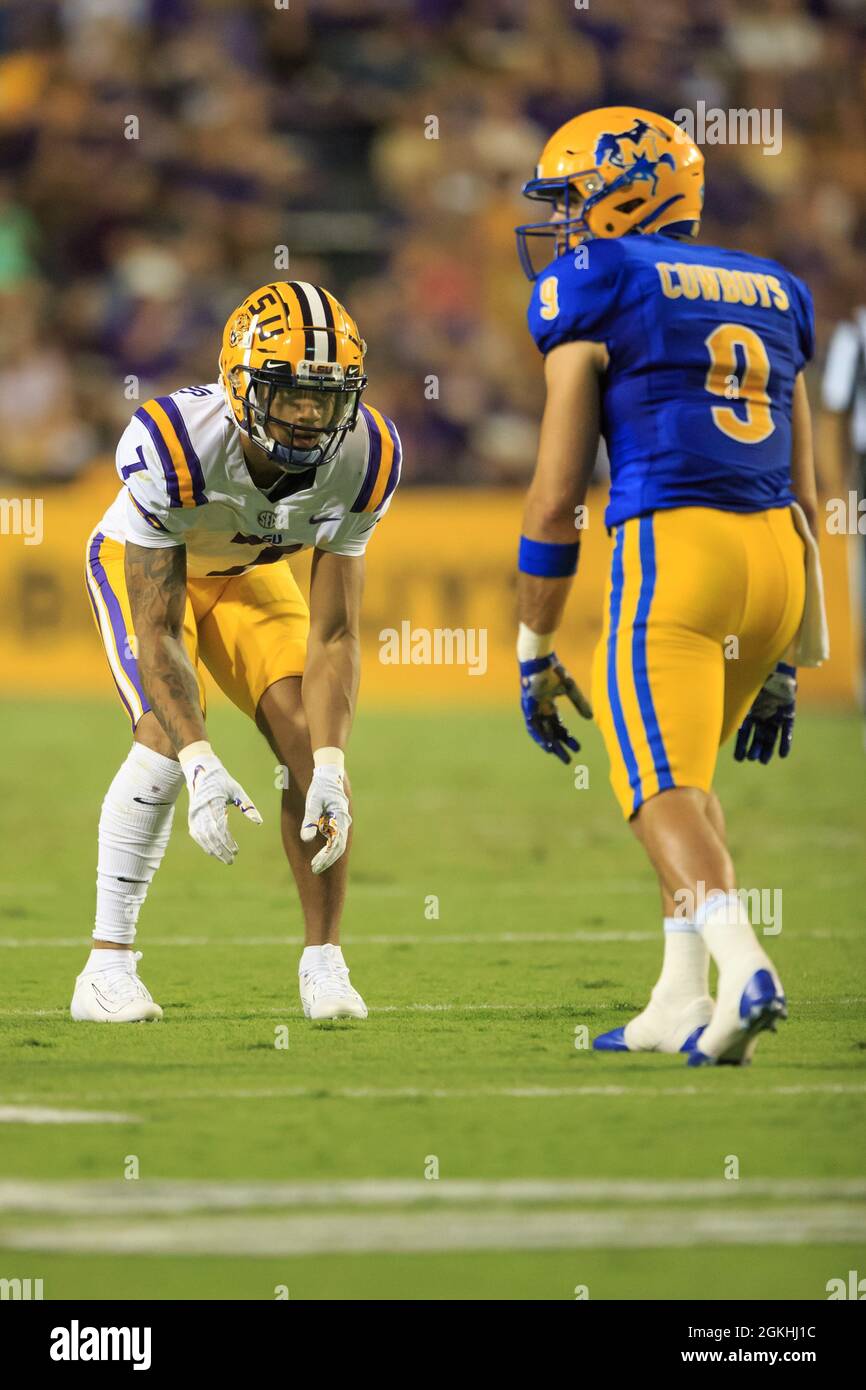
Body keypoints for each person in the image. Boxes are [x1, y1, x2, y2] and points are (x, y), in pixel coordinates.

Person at [514, 107, 827, 1065]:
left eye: (572, 199)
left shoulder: (598, 282)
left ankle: (746, 968)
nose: (563, 224)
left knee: (649, 783)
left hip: (675, 553)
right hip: (776, 560)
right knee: (689, 778)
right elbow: (810, 491)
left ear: (627, 189)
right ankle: (679, 999)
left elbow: (557, 495)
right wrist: (792, 654)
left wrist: (533, 646)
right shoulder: (777, 288)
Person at [75, 281, 401, 1023]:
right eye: (288, 393)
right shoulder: (175, 445)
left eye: (325, 395)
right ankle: (106, 968)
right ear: (241, 382)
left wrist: (332, 763)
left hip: (249, 576)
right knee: (160, 739)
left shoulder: (367, 455)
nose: (310, 413)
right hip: (151, 572)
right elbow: (157, 630)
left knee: (308, 744)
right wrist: (197, 757)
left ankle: (325, 964)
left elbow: (336, 634)